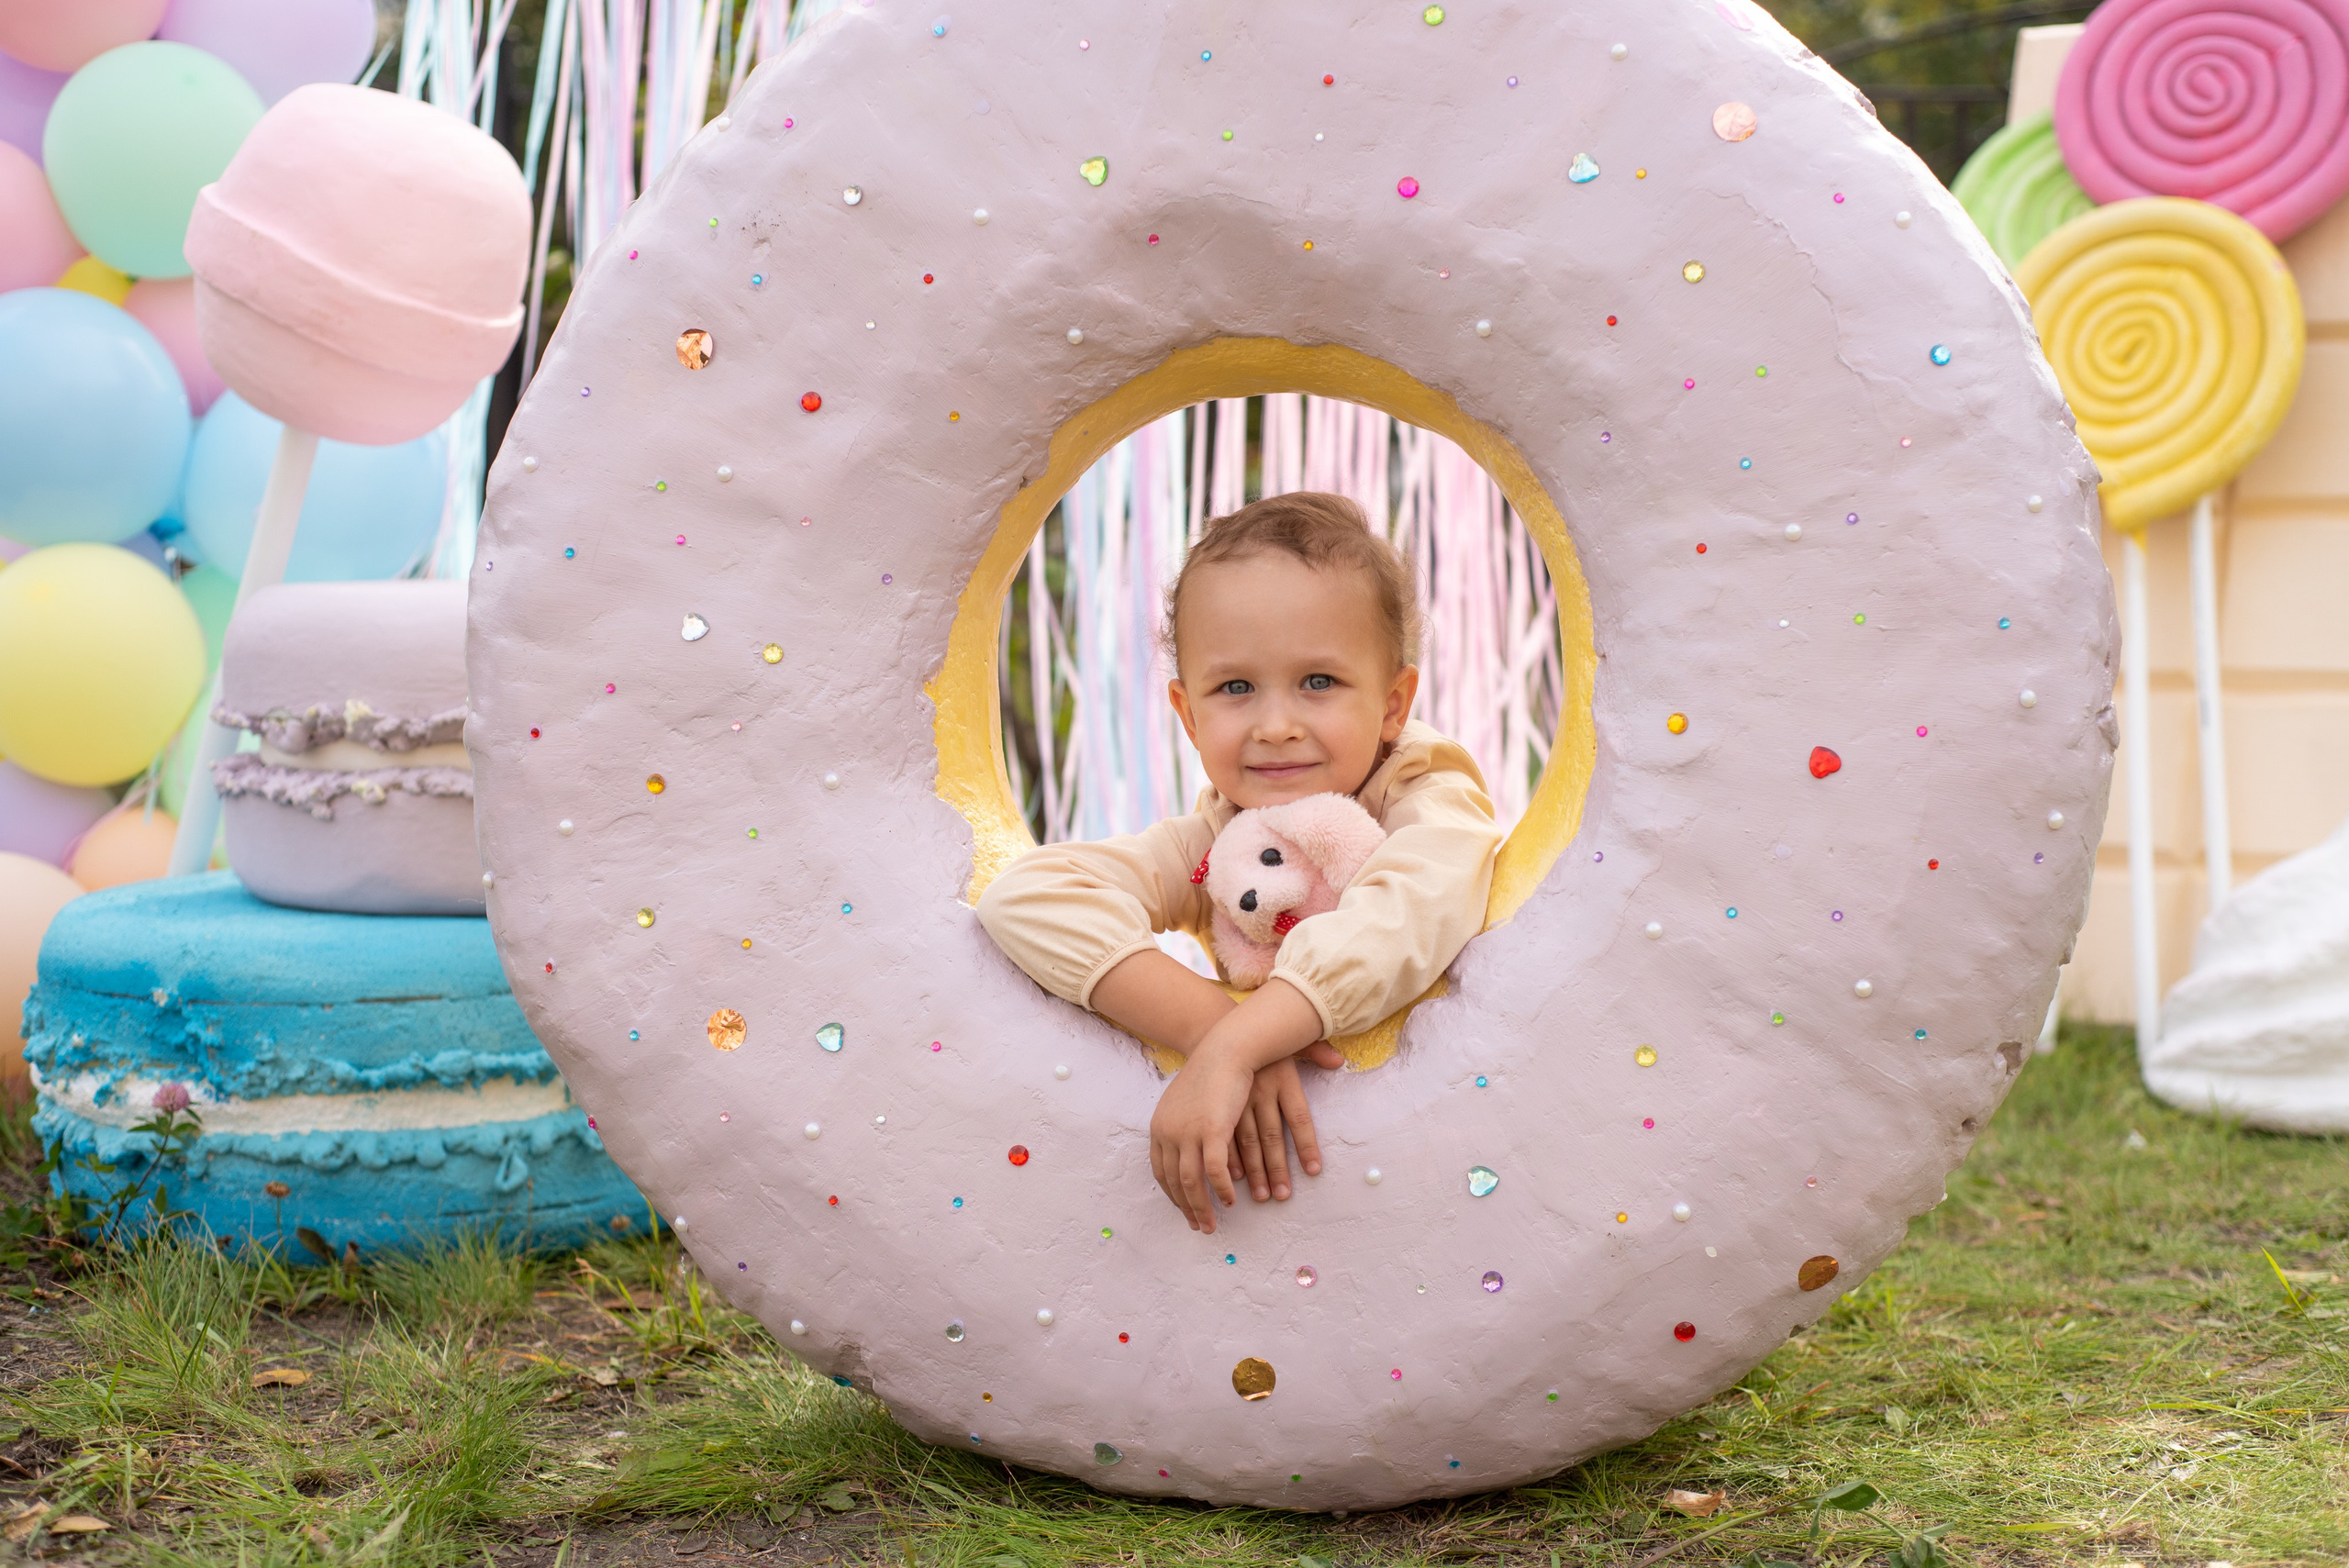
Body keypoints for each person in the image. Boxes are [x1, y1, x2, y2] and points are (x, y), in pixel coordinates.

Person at [975, 492, 1503, 1234]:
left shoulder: (1427, 794)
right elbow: (1027, 896)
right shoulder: (1216, 845)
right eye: (1235, 688)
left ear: (1393, 703)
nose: (1276, 725)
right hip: (1279, 1205)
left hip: (1454, 1165)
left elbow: (1408, 910)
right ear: (1189, 715)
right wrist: (1210, 1026)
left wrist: (1241, 1044)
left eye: (1318, 682)